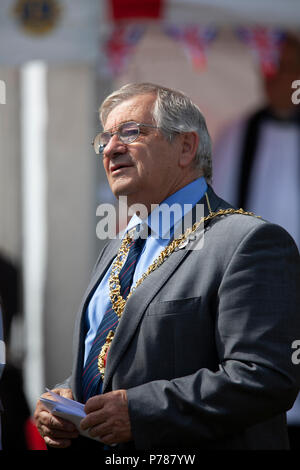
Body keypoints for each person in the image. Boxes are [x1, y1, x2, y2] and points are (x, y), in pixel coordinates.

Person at [34, 83, 300, 450]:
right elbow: (121, 356)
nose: (111, 148)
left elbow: (265, 375)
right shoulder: (118, 246)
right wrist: (67, 399)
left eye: (130, 132)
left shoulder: (248, 242)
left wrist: (140, 411)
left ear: (186, 147)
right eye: (104, 139)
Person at [212, 33, 300, 447]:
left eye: (288, 66)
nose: (279, 76)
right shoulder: (236, 137)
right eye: (274, 66)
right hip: (256, 293)